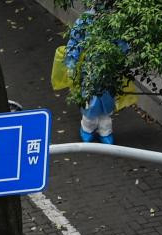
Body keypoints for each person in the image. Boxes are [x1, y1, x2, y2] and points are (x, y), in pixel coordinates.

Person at [64, 3, 120, 144]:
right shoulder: (85, 19)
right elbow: (75, 41)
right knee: (90, 101)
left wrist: (120, 58)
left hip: (108, 69)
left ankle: (105, 130)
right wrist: (71, 62)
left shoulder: (114, 20)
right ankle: (87, 128)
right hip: (90, 68)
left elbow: (121, 43)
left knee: (106, 101)